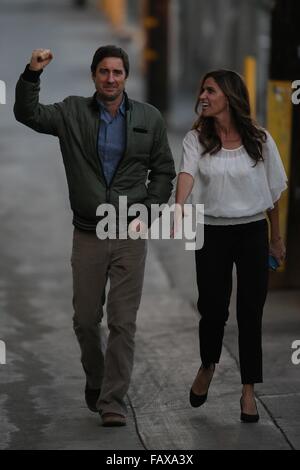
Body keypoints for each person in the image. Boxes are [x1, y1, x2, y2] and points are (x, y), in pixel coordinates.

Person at [14, 45, 175, 427]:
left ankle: (113, 400)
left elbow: (164, 171)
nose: (110, 78)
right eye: (103, 71)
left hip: (129, 234)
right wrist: (32, 74)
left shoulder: (149, 118)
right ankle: (97, 379)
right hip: (88, 232)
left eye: (117, 72)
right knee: (86, 320)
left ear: (126, 77)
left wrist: (148, 211)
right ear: (93, 76)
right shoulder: (71, 112)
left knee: (123, 322)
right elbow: (28, 113)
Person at [175, 69, 287, 423]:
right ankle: (208, 365)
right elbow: (187, 173)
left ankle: (248, 391)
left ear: (229, 96)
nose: (203, 96)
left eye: (210, 90)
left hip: (252, 231)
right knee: (212, 308)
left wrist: (276, 238)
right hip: (211, 231)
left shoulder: (261, 140)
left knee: (251, 311)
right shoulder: (196, 140)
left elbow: (273, 195)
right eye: (201, 90)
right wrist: (179, 206)